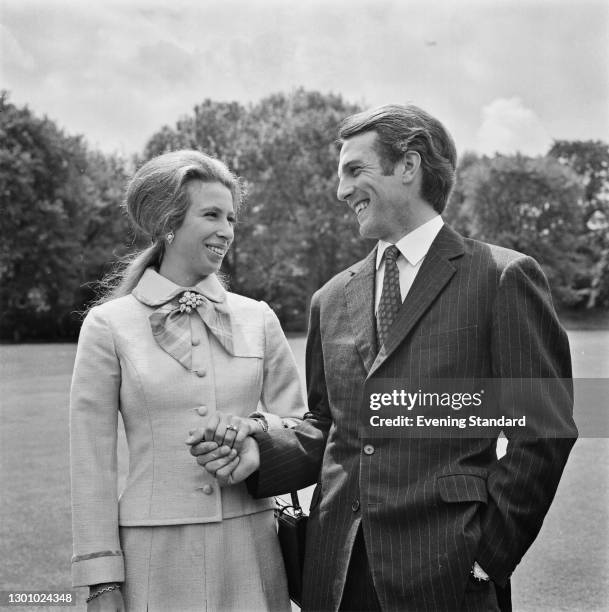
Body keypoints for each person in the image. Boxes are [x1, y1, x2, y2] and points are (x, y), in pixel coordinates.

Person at [189, 105, 578, 611]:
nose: (341, 190)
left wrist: (486, 555)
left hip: (451, 574)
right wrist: (263, 452)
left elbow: (544, 429)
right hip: (336, 574)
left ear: (409, 166)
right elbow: (329, 426)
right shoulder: (330, 298)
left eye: (355, 170)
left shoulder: (501, 277)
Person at [70, 150, 306, 611]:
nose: (227, 231)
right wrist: (101, 581)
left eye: (232, 218)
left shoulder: (257, 318)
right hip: (153, 557)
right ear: (168, 223)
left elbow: (302, 424)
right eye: (212, 215)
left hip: (253, 547)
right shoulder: (108, 326)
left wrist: (256, 432)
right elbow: (91, 463)